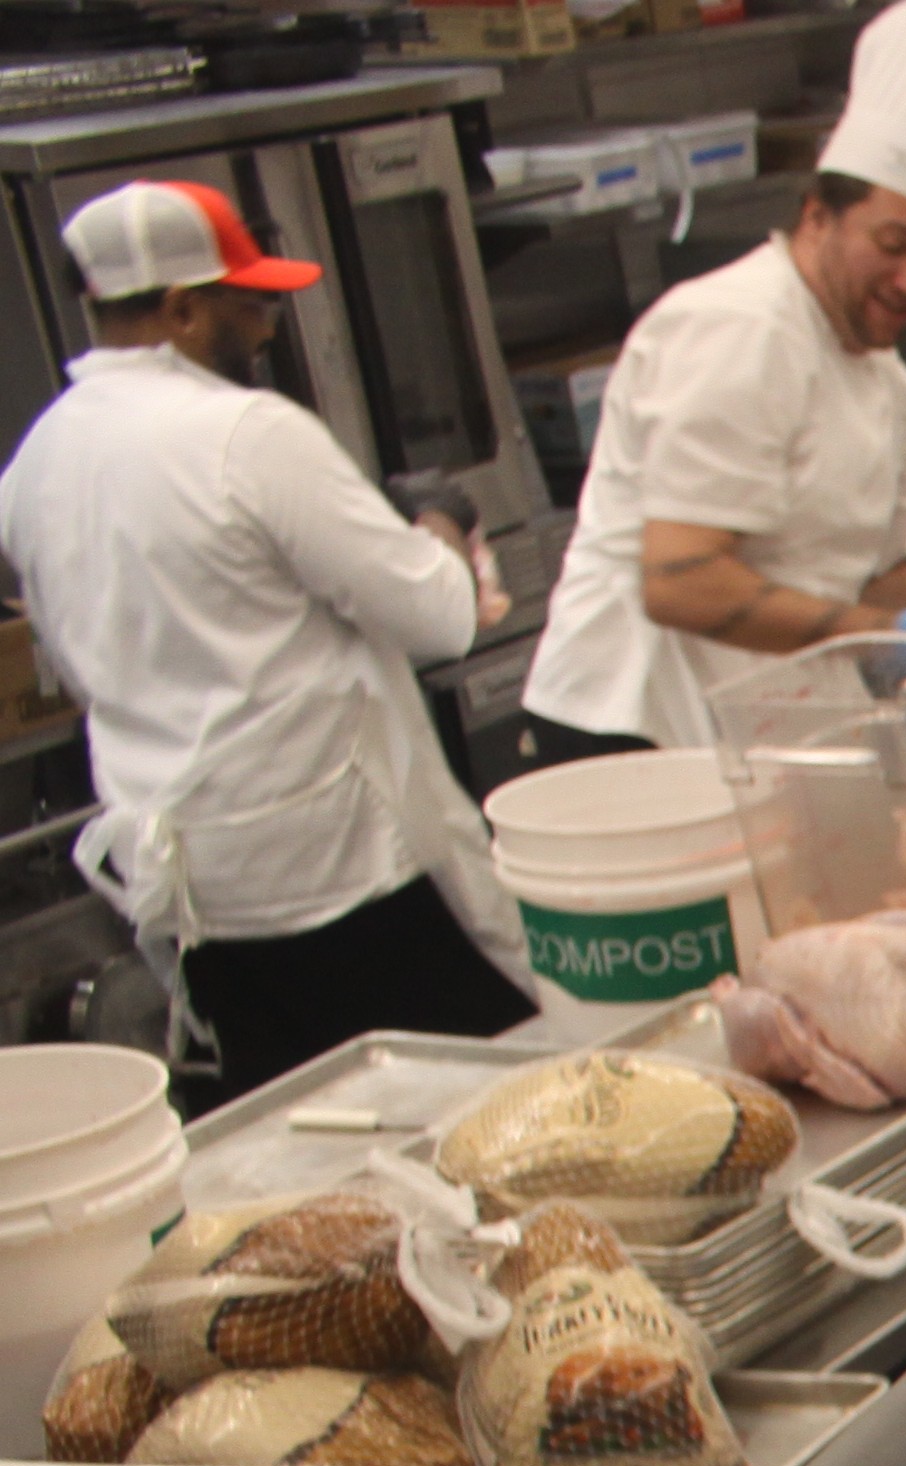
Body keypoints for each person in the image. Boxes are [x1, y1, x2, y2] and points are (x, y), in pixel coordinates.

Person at [0, 181, 536, 1098]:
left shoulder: (34, 464)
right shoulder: (244, 435)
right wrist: (439, 521)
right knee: (475, 1103)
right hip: (341, 871)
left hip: (197, 898)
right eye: (249, 305)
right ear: (179, 308)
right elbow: (438, 616)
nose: (269, 327)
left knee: (307, 1131)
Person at [514, 0, 906, 760]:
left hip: (756, 724)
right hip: (634, 732)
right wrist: (903, 637)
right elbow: (680, 581)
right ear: (817, 216)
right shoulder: (739, 328)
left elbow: (862, 577)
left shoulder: (884, 381)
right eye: (892, 244)